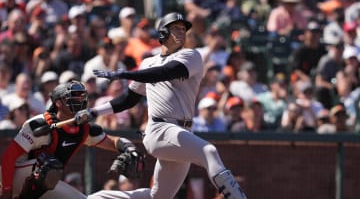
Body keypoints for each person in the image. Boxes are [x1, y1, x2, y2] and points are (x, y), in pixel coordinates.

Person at [75, 12, 247, 199]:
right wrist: (93, 111)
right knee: (209, 151)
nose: (181, 32)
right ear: (163, 32)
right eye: (176, 28)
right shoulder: (148, 62)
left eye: (183, 29)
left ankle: (99, 198)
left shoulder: (191, 55)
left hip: (182, 133)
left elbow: (165, 72)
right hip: (159, 128)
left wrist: (125, 74)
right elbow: (128, 99)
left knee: (158, 197)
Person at [0, 80, 144, 199]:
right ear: (58, 103)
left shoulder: (83, 129)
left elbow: (112, 141)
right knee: (49, 167)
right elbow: (8, 158)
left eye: (81, 97)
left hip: (46, 180)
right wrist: (6, 190)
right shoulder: (40, 124)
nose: (79, 100)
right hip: (13, 177)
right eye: (74, 97)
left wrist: (129, 148)